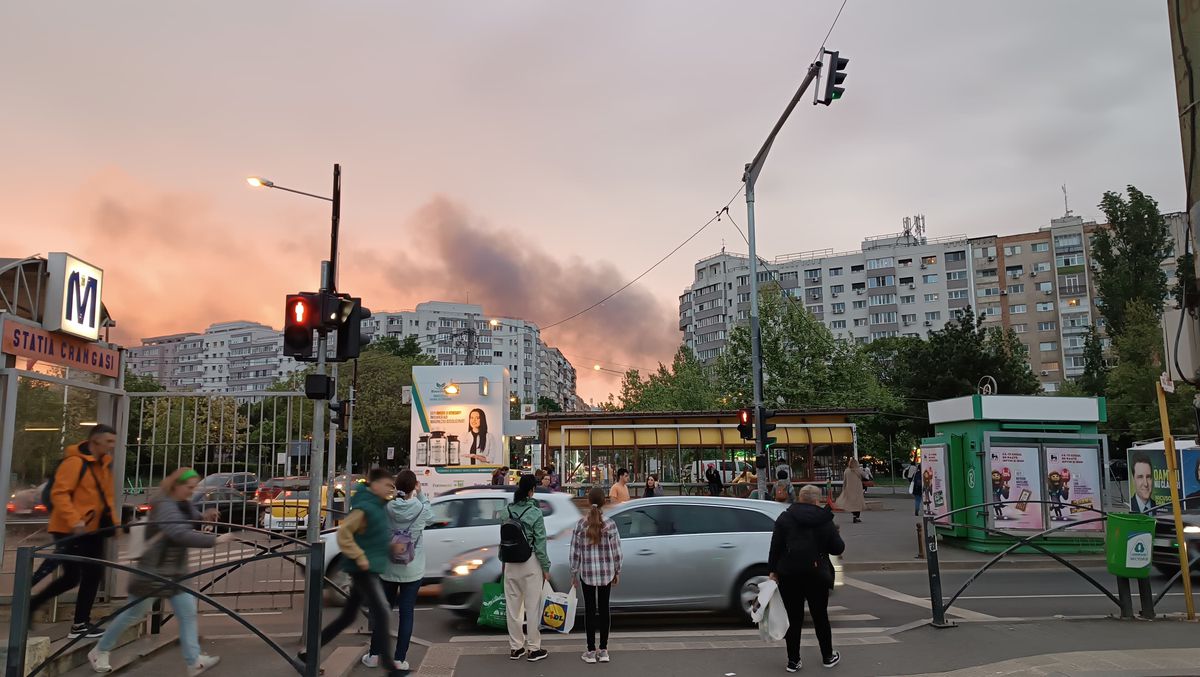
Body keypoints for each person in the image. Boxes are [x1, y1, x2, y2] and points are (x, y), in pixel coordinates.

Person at [89, 468, 230, 675]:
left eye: (194, 488)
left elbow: (192, 518)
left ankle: (193, 661)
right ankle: (100, 650)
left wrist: (205, 516)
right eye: (189, 487)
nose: (191, 491)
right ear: (176, 485)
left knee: (187, 613)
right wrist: (214, 540)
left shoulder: (182, 502)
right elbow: (178, 533)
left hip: (175, 572)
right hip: (153, 572)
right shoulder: (164, 504)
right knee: (132, 615)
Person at [301, 468, 403, 676]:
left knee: (348, 617)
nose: (390, 489)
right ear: (375, 485)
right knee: (382, 612)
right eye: (387, 485)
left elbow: (372, 537)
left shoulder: (377, 506)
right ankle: (390, 667)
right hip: (363, 569)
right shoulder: (365, 508)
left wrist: (390, 547)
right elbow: (344, 534)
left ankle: (309, 652)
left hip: (367, 566)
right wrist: (360, 556)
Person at [31, 424, 119, 639]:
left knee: (79, 576)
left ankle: (38, 606)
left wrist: (114, 524)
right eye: (108, 442)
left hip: (93, 529)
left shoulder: (104, 464)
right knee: (84, 575)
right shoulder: (74, 463)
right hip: (71, 529)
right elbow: (59, 494)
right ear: (95, 441)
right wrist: (75, 520)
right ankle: (79, 623)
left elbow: (106, 499)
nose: (111, 446)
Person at [768, 485, 845, 672]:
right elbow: (837, 548)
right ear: (817, 500)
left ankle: (793, 661)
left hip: (789, 575)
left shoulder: (785, 518)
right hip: (817, 575)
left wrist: (773, 571)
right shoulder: (824, 520)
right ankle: (828, 656)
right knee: (820, 616)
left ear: (799, 498)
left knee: (793, 618)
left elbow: (775, 547)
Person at [363, 470, 434, 670]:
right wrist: (421, 494)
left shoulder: (386, 507)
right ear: (414, 487)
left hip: (388, 568)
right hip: (412, 569)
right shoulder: (421, 509)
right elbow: (431, 517)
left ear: (396, 486)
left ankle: (374, 655)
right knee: (406, 613)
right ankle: (399, 659)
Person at [570, 487, 622, 664]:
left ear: (588, 501)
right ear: (604, 502)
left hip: (587, 573)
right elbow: (617, 552)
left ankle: (591, 651)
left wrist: (574, 572)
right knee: (604, 609)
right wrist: (617, 570)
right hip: (606, 573)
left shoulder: (580, 524)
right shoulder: (610, 524)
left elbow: (575, 552)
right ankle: (604, 650)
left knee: (590, 610)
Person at [503, 475, 551, 662]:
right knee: (532, 607)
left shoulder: (506, 511)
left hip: (510, 564)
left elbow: (504, 540)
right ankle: (533, 648)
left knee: (513, 608)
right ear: (531, 491)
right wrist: (545, 567)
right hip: (530, 563)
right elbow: (540, 543)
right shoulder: (535, 513)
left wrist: (503, 562)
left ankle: (516, 648)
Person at [838, 457, 867, 523]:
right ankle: (856, 517)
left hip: (849, 489)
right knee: (858, 504)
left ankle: (855, 516)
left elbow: (845, 481)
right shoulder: (858, 470)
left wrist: (843, 489)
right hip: (857, 489)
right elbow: (865, 475)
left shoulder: (846, 471)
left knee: (852, 504)